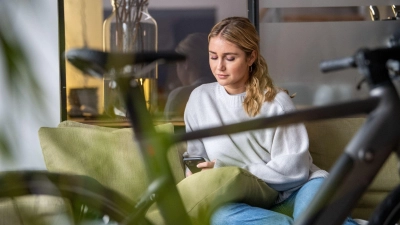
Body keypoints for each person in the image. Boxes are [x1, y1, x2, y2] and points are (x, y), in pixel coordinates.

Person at [183, 17, 358, 225]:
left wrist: (231, 170)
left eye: (230, 58)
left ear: (251, 58)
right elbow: (195, 159)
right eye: (213, 57)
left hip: (298, 190)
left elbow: (295, 171)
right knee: (219, 217)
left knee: (313, 218)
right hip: (242, 201)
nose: (219, 66)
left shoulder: (276, 103)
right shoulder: (199, 99)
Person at [164, 33, 216, 120]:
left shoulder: (180, 95)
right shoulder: (223, 92)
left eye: (177, 64)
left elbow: (167, 131)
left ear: (186, 63)